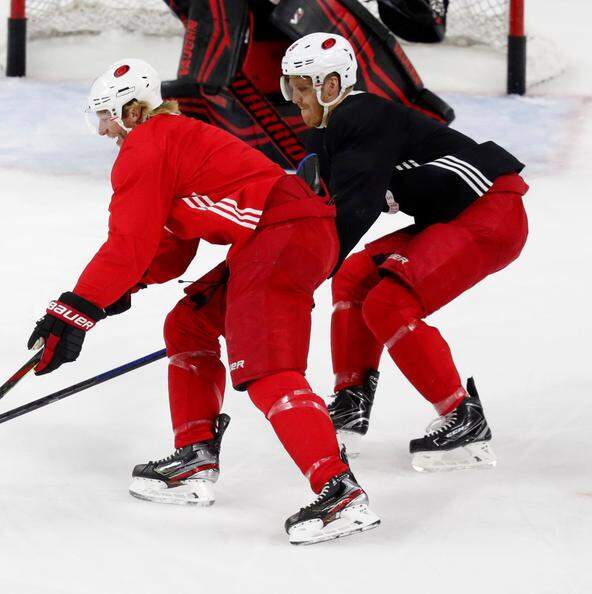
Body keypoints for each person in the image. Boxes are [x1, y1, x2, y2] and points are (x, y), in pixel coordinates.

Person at [27, 58, 380, 544]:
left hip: (281, 234)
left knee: (267, 367)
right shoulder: (171, 138)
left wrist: (74, 309)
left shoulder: (146, 145)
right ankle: (194, 459)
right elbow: (168, 249)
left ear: (132, 112)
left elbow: (127, 244)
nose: (105, 130)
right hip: (286, 231)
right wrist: (116, 292)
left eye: (107, 116)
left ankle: (339, 493)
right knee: (188, 323)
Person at [280, 33, 529, 472]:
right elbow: (319, 211)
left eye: (303, 88)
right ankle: (351, 399)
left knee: (389, 302)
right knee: (355, 276)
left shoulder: (361, 116)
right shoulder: (326, 134)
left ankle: (461, 415)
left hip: (492, 210)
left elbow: (354, 210)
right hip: (453, 214)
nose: (295, 98)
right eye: (292, 88)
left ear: (333, 85)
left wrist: (296, 278)